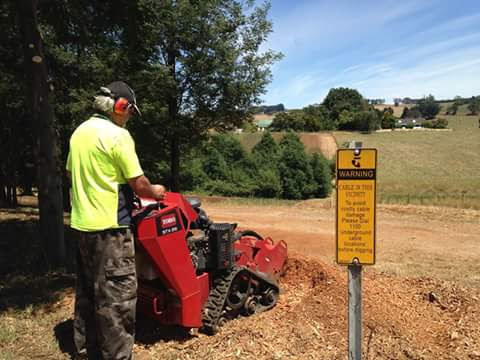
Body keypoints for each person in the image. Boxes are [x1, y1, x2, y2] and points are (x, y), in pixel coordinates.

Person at [66, 81, 165, 360]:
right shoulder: (118, 135)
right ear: (120, 107)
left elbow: (70, 175)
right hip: (111, 230)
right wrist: (157, 191)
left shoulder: (79, 133)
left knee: (88, 293)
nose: (130, 116)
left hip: (82, 227)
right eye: (130, 111)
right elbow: (139, 184)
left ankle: (85, 351)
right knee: (117, 300)